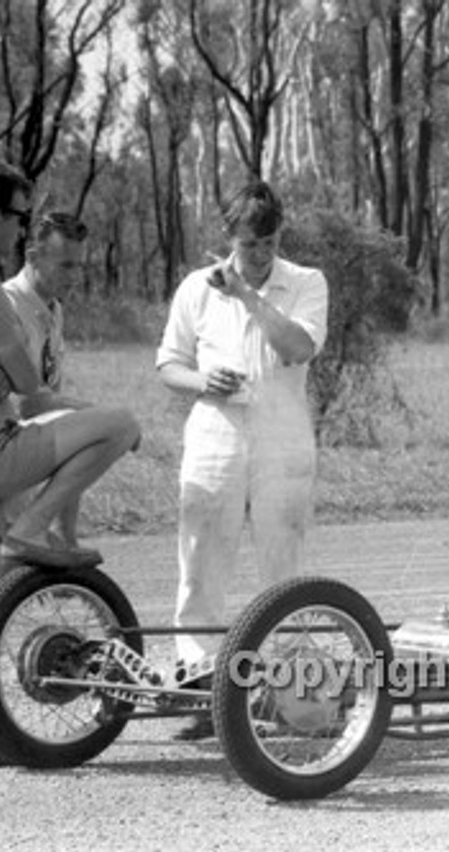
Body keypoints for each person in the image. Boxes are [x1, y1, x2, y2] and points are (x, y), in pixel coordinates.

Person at [0, 159, 142, 769]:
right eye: (15, 217)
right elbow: (29, 385)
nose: (19, 229)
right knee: (121, 425)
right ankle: (33, 529)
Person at [156, 181, 328, 740]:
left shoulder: (304, 283)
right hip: (215, 441)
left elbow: (298, 348)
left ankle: (294, 699)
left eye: (269, 242)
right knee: (202, 563)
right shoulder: (195, 291)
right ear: (228, 237)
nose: (259, 254)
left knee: (284, 570)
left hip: (283, 444)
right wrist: (203, 381)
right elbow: (168, 364)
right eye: (249, 243)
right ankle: (200, 691)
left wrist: (250, 298)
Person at [0, 211, 95, 546]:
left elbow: (49, 387)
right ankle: (60, 537)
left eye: (80, 265)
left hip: (30, 439)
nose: (75, 276)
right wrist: (90, 414)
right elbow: (23, 402)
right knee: (85, 424)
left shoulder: (53, 307)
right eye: (66, 265)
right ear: (33, 257)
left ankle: (60, 537)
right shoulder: (7, 304)